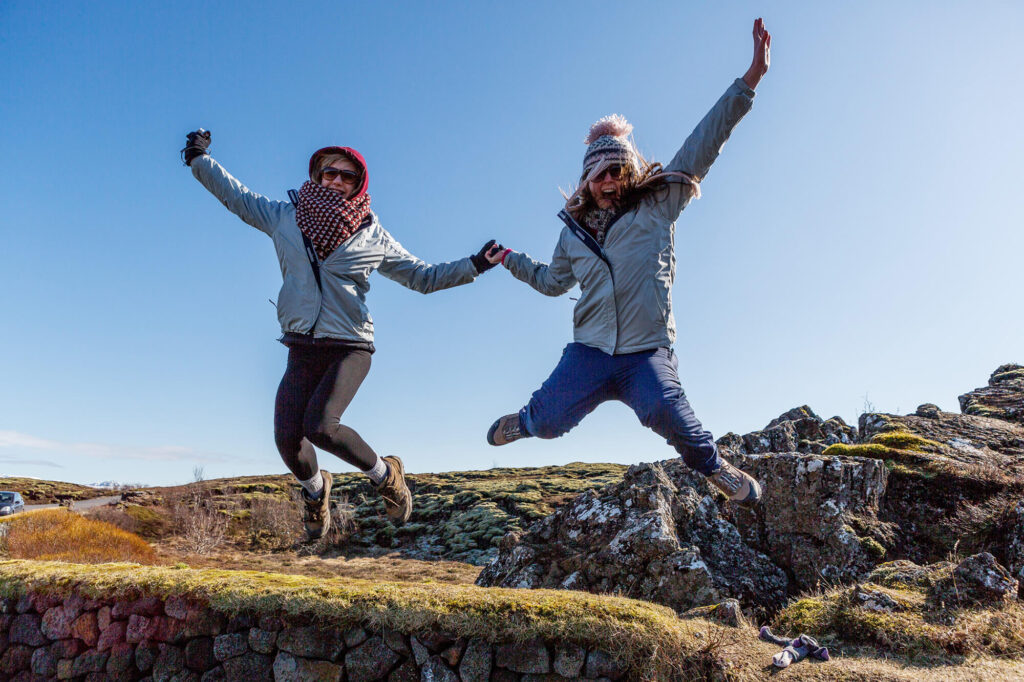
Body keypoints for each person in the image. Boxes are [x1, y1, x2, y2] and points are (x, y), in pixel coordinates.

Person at [484, 19, 772, 507]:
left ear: (631, 170)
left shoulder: (658, 205)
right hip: (590, 352)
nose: (610, 182)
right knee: (550, 421)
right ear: (586, 180)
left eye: (618, 170)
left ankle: (715, 467)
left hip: (647, 351)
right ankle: (525, 422)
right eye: (600, 175)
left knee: (667, 410)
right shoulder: (571, 234)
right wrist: (510, 259)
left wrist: (750, 80)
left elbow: (707, 140)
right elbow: (553, 283)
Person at [181, 132, 502, 539]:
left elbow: (423, 277)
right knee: (286, 439)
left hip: (350, 344)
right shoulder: (284, 216)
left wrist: (474, 264)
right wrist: (198, 159)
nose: (336, 180)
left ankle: (387, 476)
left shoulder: (372, 235)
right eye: (328, 172)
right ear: (316, 175)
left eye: (346, 176)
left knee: (321, 426)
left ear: (359, 183)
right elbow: (236, 197)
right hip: (302, 344)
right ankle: (316, 492)